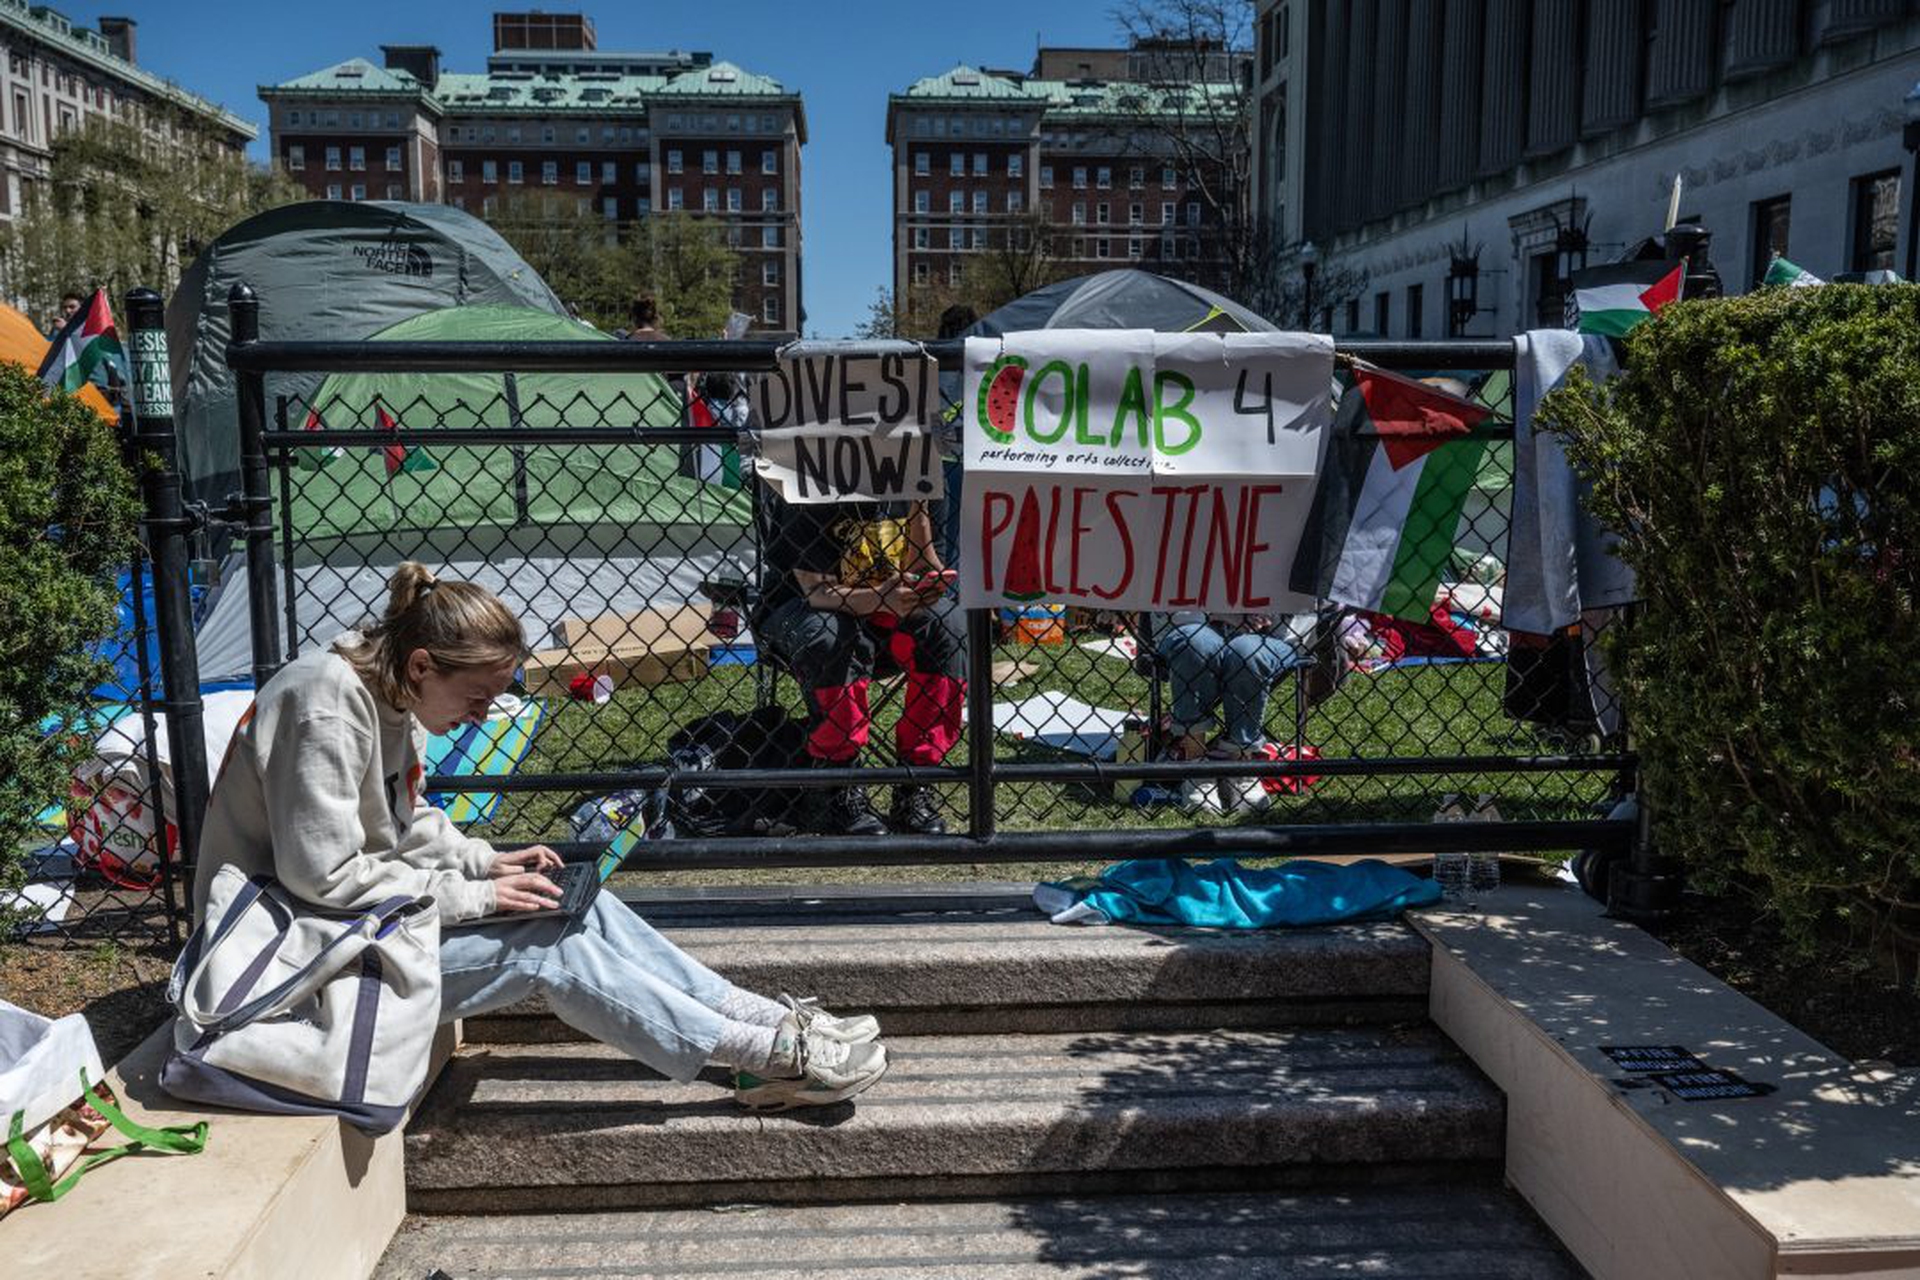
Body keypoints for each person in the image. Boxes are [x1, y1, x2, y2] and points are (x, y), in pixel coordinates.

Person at [192, 563, 888, 1111]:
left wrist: (486, 859)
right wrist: (477, 897)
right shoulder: (324, 708)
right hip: (295, 962)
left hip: (355, 927)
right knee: (546, 945)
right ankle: (761, 1056)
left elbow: (406, 821)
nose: (481, 715)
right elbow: (326, 878)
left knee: (570, 901)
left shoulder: (387, 694)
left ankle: (760, 1020)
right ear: (422, 665)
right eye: (476, 699)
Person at [754, 495, 964, 836]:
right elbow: (816, 592)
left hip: (887, 612)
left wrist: (919, 509)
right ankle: (841, 783)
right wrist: (884, 596)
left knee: (949, 626)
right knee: (831, 634)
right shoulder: (813, 477)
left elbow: (923, 569)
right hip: (807, 611)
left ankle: (917, 781)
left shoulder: (921, 471)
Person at [1152, 611, 1317, 812]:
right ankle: (1194, 765)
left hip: (1271, 634)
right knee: (1195, 643)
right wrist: (1217, 611)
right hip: (1191, 623)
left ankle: (1241, 766)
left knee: (1248, 651)